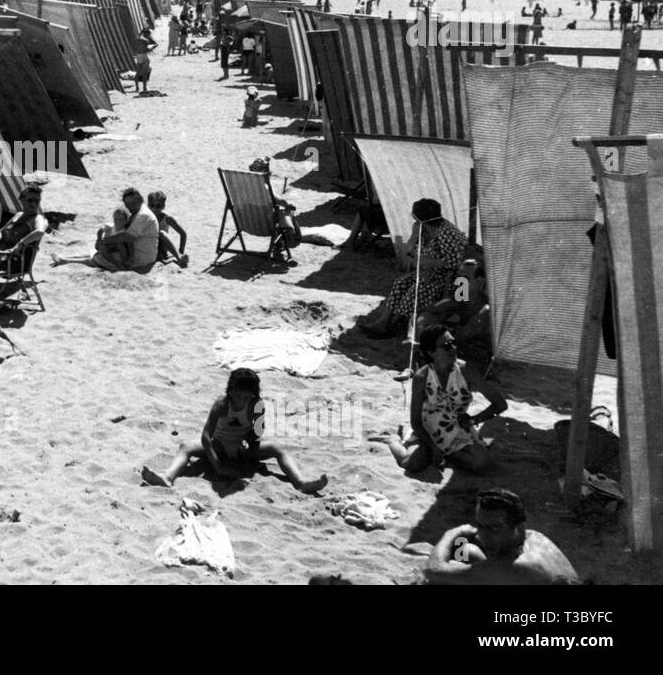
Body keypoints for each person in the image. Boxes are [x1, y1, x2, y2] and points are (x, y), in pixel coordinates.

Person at [141, 368, 328, 494]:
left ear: (254, 395)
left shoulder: (257, 406)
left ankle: (300, 482)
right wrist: (217, 465)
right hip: (219, 445)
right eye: (237, 394)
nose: (241, 399)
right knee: (186, 446)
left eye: (247, 396)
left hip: (243, 449)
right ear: (230, 390)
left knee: (277, 448)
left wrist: (250, 438)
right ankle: (168, 476)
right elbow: (206, 437)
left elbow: (258, 432)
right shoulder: (222, 404)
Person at [370, 324, 506, 473]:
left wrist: (474, 420)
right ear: (431, 352)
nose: (453, 348)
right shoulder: (422, 377)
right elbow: (415, 421)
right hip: (429, 431)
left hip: (458, 429)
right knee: (412, 464)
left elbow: (500, 404)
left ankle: (446, 454)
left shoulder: (466, 370)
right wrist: (433, 446)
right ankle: (392, 441)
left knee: (483, 464)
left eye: (454, 343)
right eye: (447, 346)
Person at [358, 198, 467, 339]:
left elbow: (455, 264)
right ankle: (383, 321)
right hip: (429, 273)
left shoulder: (447, 234)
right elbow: (410, 252)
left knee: (418, 288)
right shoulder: (423, 229)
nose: (414, 221)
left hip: (450, 280)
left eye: (416, 218)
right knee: (401, 282)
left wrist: (427, 262)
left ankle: (392, 324)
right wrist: (414, 236)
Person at [425, 489, 579, 584]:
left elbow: (432, 570)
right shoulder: (536, 537)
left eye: (494, 529)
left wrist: (453, 533)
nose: (483, 535)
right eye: (480, 526)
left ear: (518, 527)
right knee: (466, 549)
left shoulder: (514, 567)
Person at [53, 187, 159, 272]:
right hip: (131, 251)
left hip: (139, 257)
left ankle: (66, 260)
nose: (130, 207)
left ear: (140, 200)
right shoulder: (138, 211)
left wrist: (103, 242)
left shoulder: (143, 215)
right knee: (99, 251)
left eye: (133, 203)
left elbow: (127, 237)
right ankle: (66, 258)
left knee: (99, 257)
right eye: (127, 204)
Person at [147, 191, 188, 267]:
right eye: (152, 205)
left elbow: (183, 233)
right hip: (150, 246)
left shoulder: (167, 219)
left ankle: (178, 257)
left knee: (161, 233)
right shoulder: (145, 217)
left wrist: (181, 250)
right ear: (148, 205)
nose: (154, 208)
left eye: (158, 206)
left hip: (162, 246)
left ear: (163, 206)